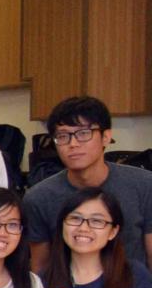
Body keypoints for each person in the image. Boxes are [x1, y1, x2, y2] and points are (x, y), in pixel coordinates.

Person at [24, 96, 152, 270]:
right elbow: (40, 267)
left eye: (84, 134)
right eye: (62, 136)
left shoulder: (144, 185)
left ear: (106, 137)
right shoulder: (38, 197)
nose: (73, 144)